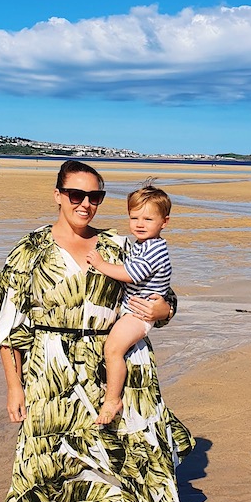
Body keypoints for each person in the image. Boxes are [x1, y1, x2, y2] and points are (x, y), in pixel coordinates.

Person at [0, 160, 194, 502]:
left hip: (117, 369)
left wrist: (161, 313)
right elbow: (9, 327)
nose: (86, 204)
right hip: (51, 371)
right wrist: (14, 388)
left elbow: (165, 298)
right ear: (57, 195)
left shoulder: (120, 245)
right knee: (36, 467)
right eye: (76, 195)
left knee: (111, 469)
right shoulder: (28, 253)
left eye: (96, 197)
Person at [85, 181, 172, 426]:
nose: (139, 225)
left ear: (164, 222)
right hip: (133, 311)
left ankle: (112, 399)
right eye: (134, 218)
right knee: (114, 349)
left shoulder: (154, 250)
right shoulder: (143, 245)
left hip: (140, 315)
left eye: (148, 219)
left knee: (113, 349)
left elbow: (131, 274)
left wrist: (101, 265)